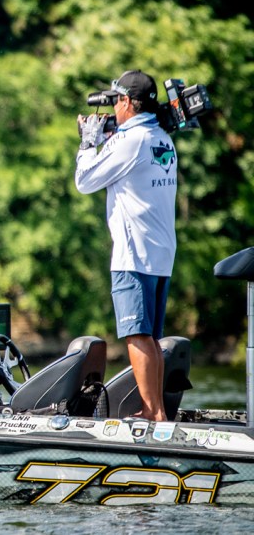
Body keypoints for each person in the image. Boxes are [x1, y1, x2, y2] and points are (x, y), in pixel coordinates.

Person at [75, 70, 177, 421]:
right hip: (160, 252)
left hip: (134, 253)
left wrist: (89, 143)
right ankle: (157, 410)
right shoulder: (161, 136)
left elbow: (85, 180)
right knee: (150, 337)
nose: (113, 108)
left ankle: (152, 414)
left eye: (116, 100)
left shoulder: (130, 141)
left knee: (136, 335)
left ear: (127, 103)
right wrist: (110, 137)